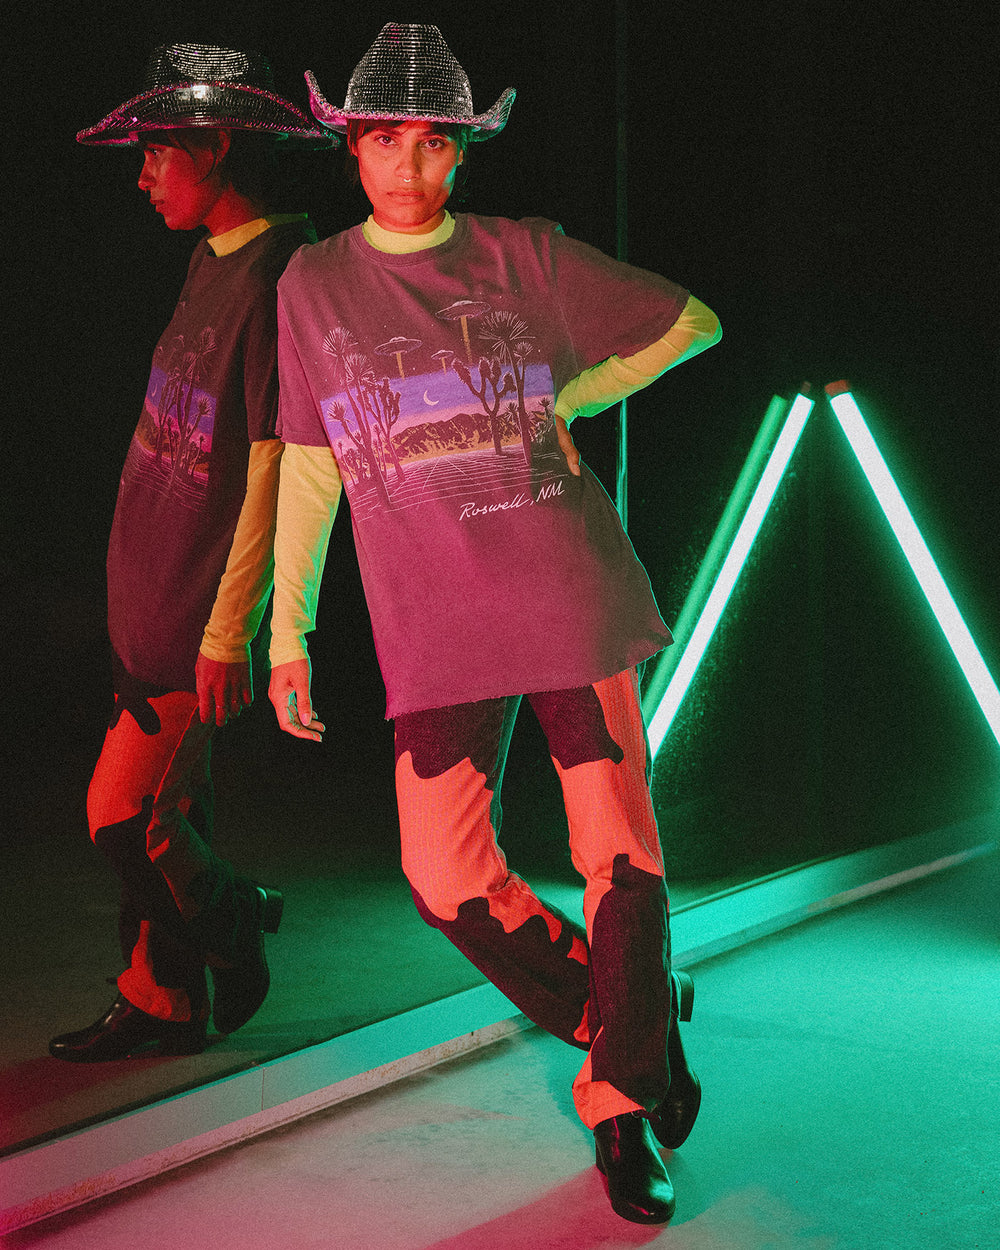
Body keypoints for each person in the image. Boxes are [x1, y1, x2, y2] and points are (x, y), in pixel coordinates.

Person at [267, 24, 720, 1224]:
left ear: (462, 152)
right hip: (433, 622)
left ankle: (621, 1101)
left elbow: (689, 321)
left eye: (432, 143)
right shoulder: (311, 284)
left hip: (564, 591)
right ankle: (626, 1013)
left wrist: (569, 394)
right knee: (442, 874)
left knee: (616, 847)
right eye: (384, 141)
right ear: (351, 147)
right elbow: (308, 464)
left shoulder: (523, 255)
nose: (407, 166)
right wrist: (284, 631)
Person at [49, 43, 335, 1063]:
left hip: (191, 608)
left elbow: (272, 466)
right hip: (148, 589)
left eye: (157, 153)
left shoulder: (279, 276)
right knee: (167, 806)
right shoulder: (212, 257)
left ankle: (239, 914)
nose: (142, 176)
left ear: (214, 148)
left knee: (125, 818)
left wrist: (230, 629)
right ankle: (161, 998)